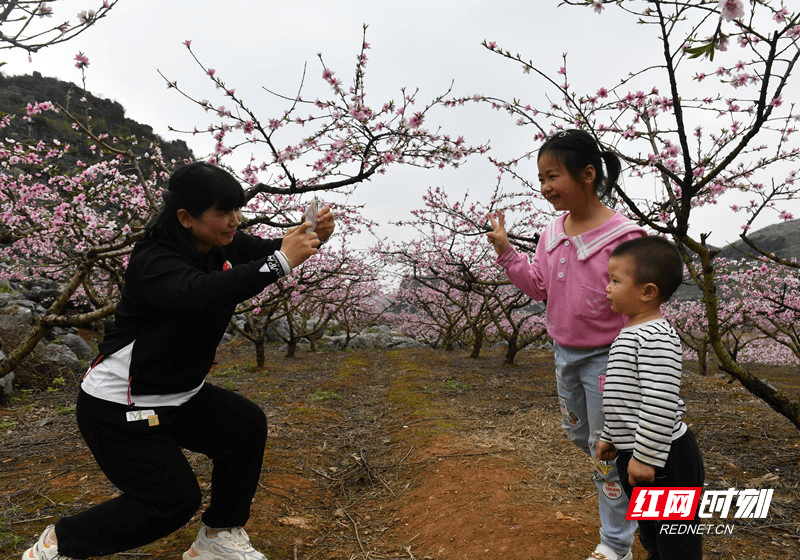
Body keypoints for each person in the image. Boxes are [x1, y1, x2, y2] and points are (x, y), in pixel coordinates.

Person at [22, 161, 335, 560]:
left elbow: (269, 254)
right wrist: (282, 261)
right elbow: (200, 291)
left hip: (178, 394)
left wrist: (310, 238)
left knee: (244, 426)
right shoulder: (153, 259)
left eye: (236, 210)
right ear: (186, 217)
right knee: (170, 501)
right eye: (222, 212)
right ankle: (58, 545)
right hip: (121, 406)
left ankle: (218, 538)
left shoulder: (221, 242)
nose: (234, 221)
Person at [487, 129, 644, 560]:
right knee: (579, 434)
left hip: (607, 358)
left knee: (603, 451)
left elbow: (643, 303)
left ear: (588, 174)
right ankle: (634, 483)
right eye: (540, 178)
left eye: (552, 176)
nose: (544, 188)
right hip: (564, 355)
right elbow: (539, 287)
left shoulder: (623, 237)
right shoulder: (553, 230)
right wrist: (506, 252)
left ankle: (616, 544)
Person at [598, 236, 705, 560]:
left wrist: (645, 456)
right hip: (639, 454)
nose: (608, 288)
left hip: (664, 458)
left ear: (647, 292)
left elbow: (660, 400)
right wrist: (610, 436)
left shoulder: (656, 336)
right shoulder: (633, 331)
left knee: (676, 541)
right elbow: (625, 398)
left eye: (615, 280)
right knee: (654, 533)